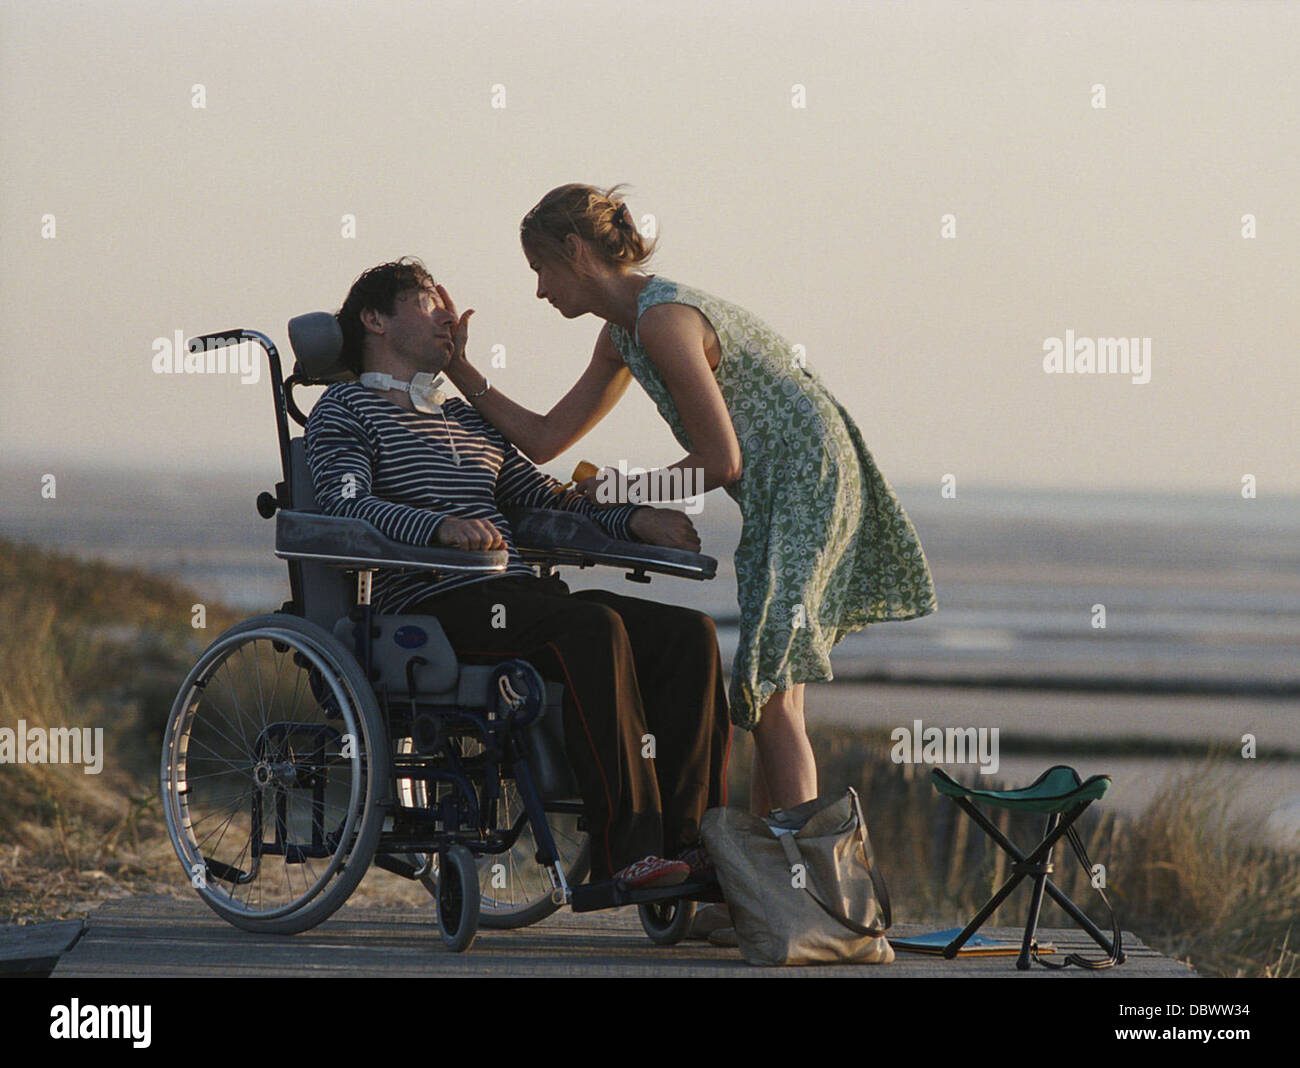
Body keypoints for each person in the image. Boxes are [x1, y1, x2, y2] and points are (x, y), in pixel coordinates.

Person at [440, 183, 938, 821]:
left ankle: (808, 893)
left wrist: (623, 490)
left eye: (541, 269)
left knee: (772, 695)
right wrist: (461, 369)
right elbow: (543, 439)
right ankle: (763, 889)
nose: (540, 290)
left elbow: (719, 460)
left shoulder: (662, 321)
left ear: (575, 250)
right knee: (770, 692)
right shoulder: (624, 335)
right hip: (789, 483)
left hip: (804, 480)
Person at [304, 256, 731, 889]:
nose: (446, 314)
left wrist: (634, 518)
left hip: (510, 595)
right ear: (374, 320)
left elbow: (547, 499)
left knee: (688, 634)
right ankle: (624, 854)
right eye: (426, 301)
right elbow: (345, 505)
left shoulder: (467, 419)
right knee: (591, 628)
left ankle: (688, 847)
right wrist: (438, 527)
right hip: (424, 610)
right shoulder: (345, 408)